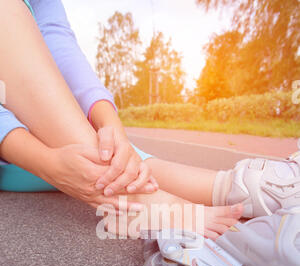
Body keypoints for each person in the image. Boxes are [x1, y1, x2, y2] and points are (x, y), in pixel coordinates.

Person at [1, 1, 299, 239]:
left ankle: (236, 187)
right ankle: (143, 205)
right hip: (13, 151)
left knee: (122, 160)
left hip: (46, 134)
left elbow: (56, 40)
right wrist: (47, 163)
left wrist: (109, 122)